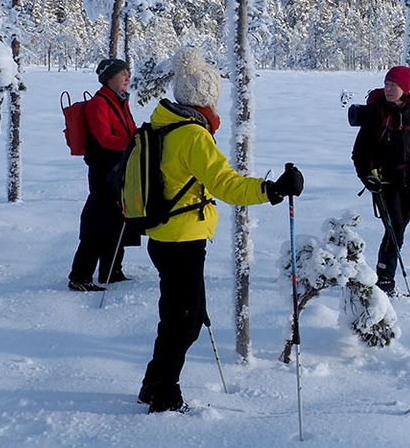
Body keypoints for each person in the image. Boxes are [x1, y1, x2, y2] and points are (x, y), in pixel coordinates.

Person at [137, 47, 304, 413]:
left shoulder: (163, 125)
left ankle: (153, 384)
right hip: (182, 239)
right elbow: (226, 185)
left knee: (179, 317)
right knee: (184, 322)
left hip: (164, 236)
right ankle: (164, 394)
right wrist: (272, 190)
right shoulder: (192, 136)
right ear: (205, 97)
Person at [351, 64, 410, 295]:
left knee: (399, 229)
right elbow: (359, 153)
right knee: (395, 228)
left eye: (393, 85)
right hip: (384, 183)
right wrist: (367, 177)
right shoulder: (376, 115)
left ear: (405, 88)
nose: (388, 89)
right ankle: (385, 280)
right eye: (386, 84)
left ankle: (384, 276)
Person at [68, 57, 140, 291]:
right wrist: (134, 143)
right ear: (109, 78)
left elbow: (128, 131)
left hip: (119, 169)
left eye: (128, 73)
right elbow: (104, 139)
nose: (127, 77)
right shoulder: (99, 103)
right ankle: (80, 276)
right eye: (122, 74)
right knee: (98, 222)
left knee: (118, 218)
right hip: (104, 171)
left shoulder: (120, 101)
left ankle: (111, 271)